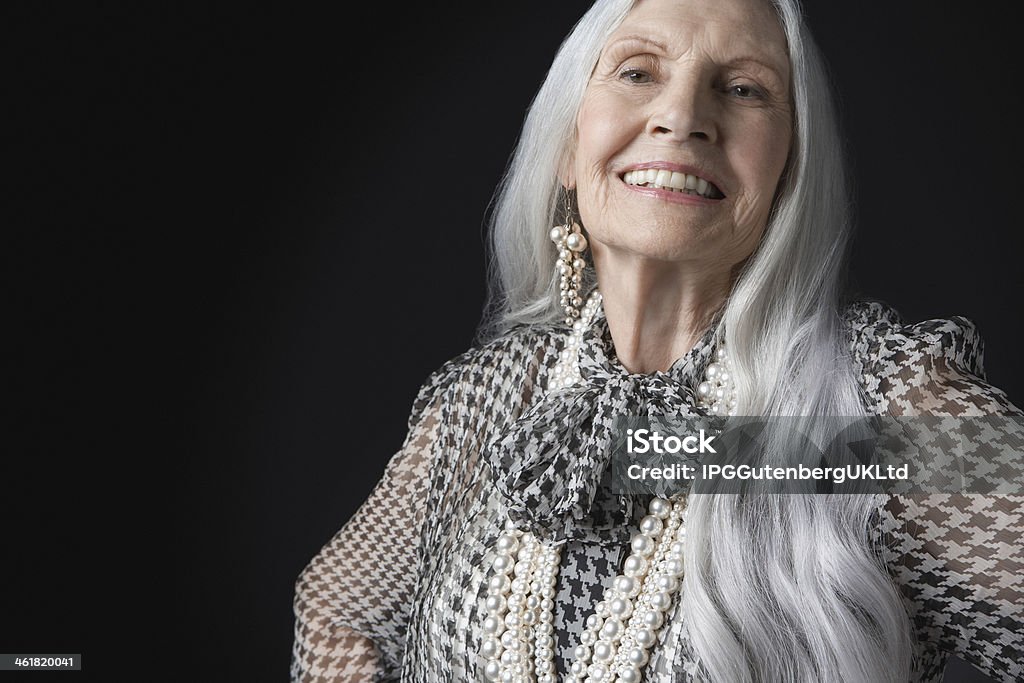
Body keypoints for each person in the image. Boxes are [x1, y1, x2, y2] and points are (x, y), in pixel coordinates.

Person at [290, 0, 1023, 680]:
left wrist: (676, 450)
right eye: (638, 72)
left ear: (788, 169)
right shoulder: (490, 394)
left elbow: (975, 467)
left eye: (743, 90)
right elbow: (334, 608)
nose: (681, 116)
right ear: (569, 151)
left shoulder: (873, 394)